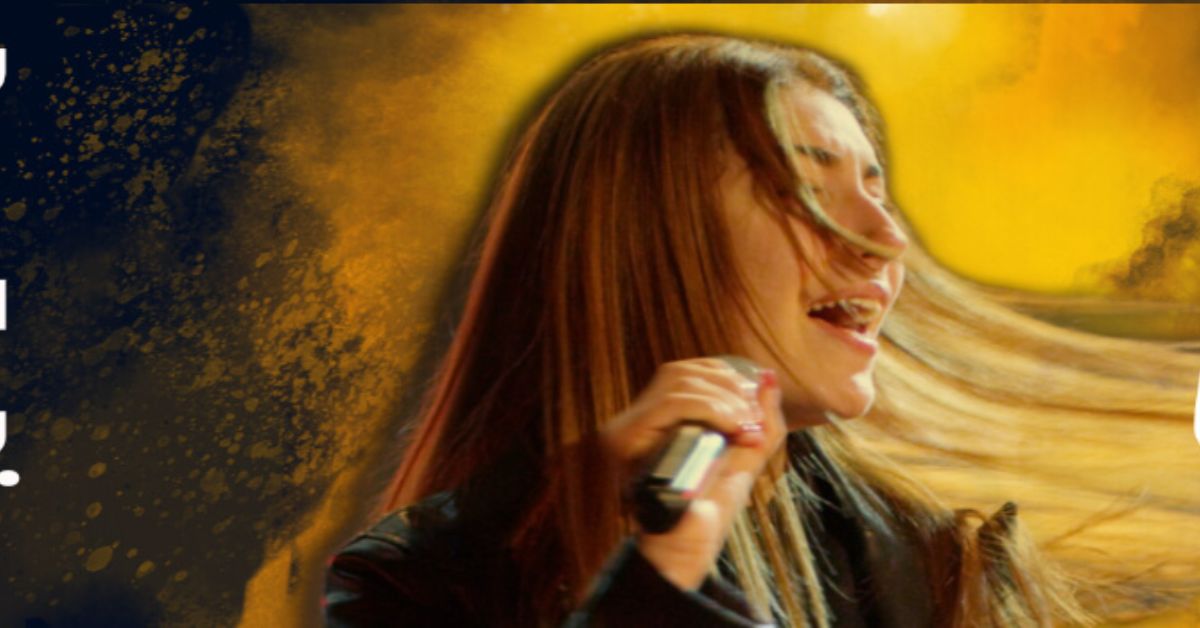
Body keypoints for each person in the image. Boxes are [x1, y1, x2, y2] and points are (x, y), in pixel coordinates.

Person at [323, 33, 1200, 627]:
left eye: (877, 191)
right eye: (809, 190)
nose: (886, 240)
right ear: (644, 234)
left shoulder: (941, 568)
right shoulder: (415, 583)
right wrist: (663, 579)